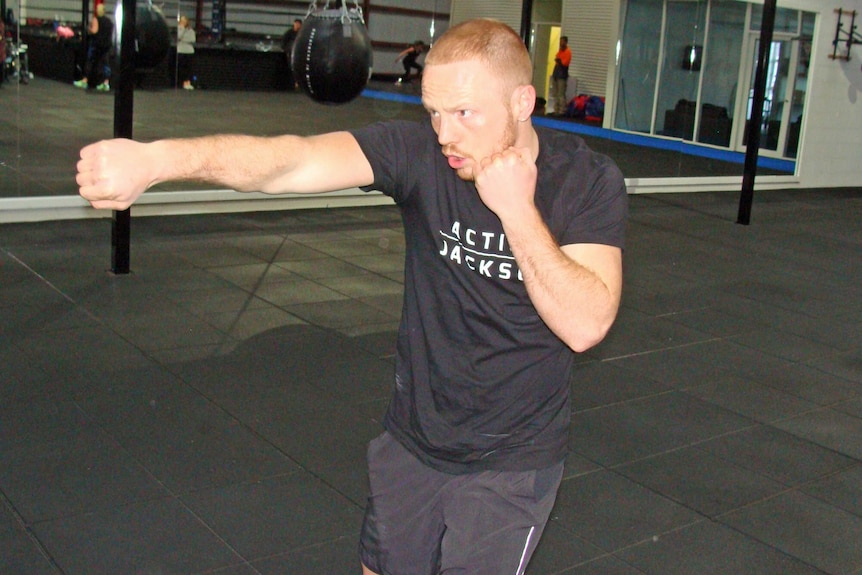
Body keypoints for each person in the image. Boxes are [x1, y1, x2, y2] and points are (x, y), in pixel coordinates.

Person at [76, 18, 627, 575]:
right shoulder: (419, 155)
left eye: (464, 113)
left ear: (522, 102)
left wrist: (515, 209)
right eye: (433, 111)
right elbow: (290, 161)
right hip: (414, 440)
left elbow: (585, 324)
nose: (445, 134)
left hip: (513, 460)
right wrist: (157, 161)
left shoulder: (586, 181)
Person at [73, 3, 113, 92]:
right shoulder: (109, 21)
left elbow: (94, 31)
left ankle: (85, 80)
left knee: (90, 62)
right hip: (106, 45)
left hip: (96, 45)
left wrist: (89, 29)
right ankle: (106, 83)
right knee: (105, 64)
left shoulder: (96, 19)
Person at [549, 35, 572, 115]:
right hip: (556, 74)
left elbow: (564, 63)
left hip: (562, 75)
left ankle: (562, 110)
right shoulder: (560, 51)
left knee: (561, 94)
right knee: (555, 93)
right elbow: (557, 58)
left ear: (565, 42)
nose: (560, 43)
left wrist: (560, 61)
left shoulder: (568, 52)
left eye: (562, 41)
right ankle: (556, 110)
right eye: (560, 41)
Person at [281, 18, 302, 89]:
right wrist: (286, 50)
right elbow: (284, 43)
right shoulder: (289, 33)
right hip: (290, 51)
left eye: (298, 24)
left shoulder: (302, 33)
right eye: (296, 24)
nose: (297, 26)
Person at [176, 16, 196, 90]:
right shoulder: (179, 29)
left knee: (189, 68)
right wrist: (182, 30)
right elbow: (179, 37)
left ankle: (188, 82)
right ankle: (182, 82)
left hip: (189, 51)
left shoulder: (191, 30)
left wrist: (183, 39)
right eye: (182, 21)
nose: (183, 22)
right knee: (181, 68)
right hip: (181, 50)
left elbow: (192, 39)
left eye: (185, 21)